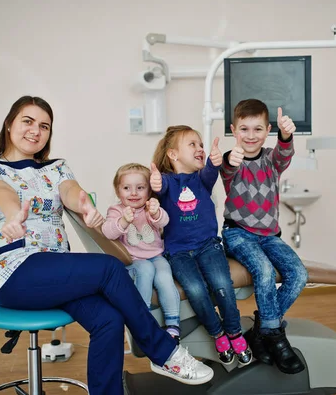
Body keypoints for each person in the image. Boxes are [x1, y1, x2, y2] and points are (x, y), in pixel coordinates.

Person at [0, 96, 213, 395]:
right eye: (27, 122)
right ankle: (164, 353)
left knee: (109, 321)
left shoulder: (55, 168)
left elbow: (70, 190)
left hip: (56, 273)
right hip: (16, 273)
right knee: (110, 268)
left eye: (44, 126)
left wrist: (83, 203)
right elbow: (1, 192)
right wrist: (12, 214)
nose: (35, 130)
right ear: (9, 125)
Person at [219, 98, 308, 375]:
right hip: (238, 234)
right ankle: (276, 338)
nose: (250, 135)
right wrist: (227, 159)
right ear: (234, 130)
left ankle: (261, 330)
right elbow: (226, 168)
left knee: (299, 274)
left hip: (270, 236)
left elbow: (284, 153)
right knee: (265, 271)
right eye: (244, 129)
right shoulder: (232, 161)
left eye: (258, 129)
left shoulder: (271, 159)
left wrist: (285, 134)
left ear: (267, 129)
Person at [150, 125, 252, 366]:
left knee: (222, 284)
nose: (200, 148)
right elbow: (158, 186)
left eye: (201, 145)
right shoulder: (166, 182)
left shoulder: (202, 179)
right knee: (196, 289)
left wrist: (215, 160)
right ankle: (217, 333)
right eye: (192, 144)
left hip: (208, 246)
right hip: (178, 252)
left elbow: (210, 169)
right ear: (173, 155)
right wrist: (154, 181)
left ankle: (234, 331)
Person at [102, 163, 181, 341]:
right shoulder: (116, 211)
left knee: (164, 279)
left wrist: (156, 213)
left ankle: (173, 324)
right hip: (133, 261)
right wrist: (122, 221)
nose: (134, 193)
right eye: (127, 188)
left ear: (148, 191)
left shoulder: (149, 208)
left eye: (140, 188)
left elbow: (164, 222)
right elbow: (107, 232)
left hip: (156, 256)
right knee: (145, 269)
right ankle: (141, 319)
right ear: (118, 191)